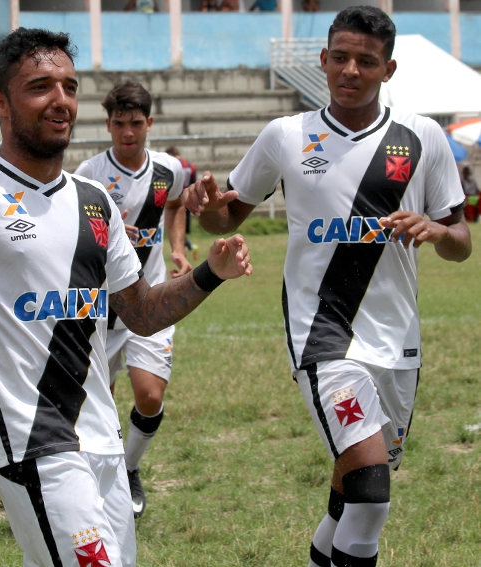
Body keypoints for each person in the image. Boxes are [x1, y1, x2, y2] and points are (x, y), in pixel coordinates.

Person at [0, 27, 252, 567]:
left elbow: (140, 313)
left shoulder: (94, 201)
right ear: (1, 102)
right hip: (28, 433)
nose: (61, 100)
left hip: (100, 433)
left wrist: (209, 273)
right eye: (41, 86)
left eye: (69, 86)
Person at [188, 7, 471, 567]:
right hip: (323, 335)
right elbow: (227, 218)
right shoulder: (286, 136)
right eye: (340, 57)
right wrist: (206, 212)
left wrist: (439, 230)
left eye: (366, 61)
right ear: (322, 60)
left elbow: (461, 238)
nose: (350, 70)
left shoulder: (422, 138)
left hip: (397, 339)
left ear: (388, 69)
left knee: (355, 484)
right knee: (369, 488)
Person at [74, 81, 191, 518]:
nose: (127, 133)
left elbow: (176, 205)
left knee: (149, 396)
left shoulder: (170, 169)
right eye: (119, 124)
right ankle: (94, 484)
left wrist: (177, 247)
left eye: (136, 124)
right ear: (108, 124)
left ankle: (130, 469)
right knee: (97, 405)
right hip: (103, 310)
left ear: (149, 124)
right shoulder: (89, 174)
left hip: (151, 299)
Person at [165, 145, 198, 254]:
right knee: (183, 225)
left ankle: (185, 247)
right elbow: (193, 182)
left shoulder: (171, 165)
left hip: (175, 198)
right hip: (187, 198)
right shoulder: (191, 166)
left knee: (175, 225)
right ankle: (186, 247)